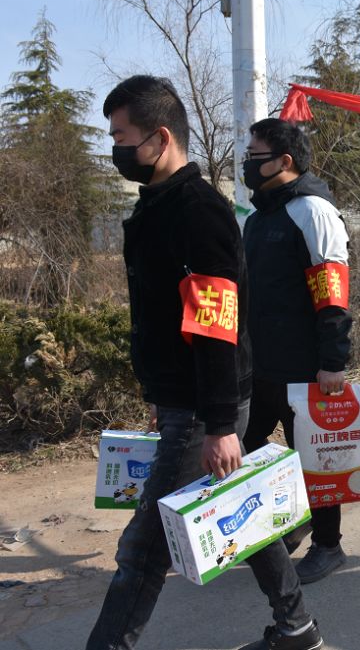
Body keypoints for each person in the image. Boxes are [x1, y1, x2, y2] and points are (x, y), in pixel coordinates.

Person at [88, 76, 323, 650]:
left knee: (141, 552)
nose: (115, 148)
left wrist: (217, 425)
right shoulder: (159, 206)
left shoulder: (198, 212)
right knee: (235, 503)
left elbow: (217, 329)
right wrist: (163, 401)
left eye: (121, 136)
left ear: (159, 137)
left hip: (204, 404)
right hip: (186, 400)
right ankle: (296, 627)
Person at [241, 118, 353, 584]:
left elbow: (332, 292)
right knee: (245, 443)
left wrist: (332, 362)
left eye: (254, 156)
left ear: (283, 162)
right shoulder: (258, 217)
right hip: (261, 362)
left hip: (306, 365)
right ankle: (297, 515)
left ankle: (329, 545)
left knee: (313, 455)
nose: (247, 164)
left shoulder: (312, 211)